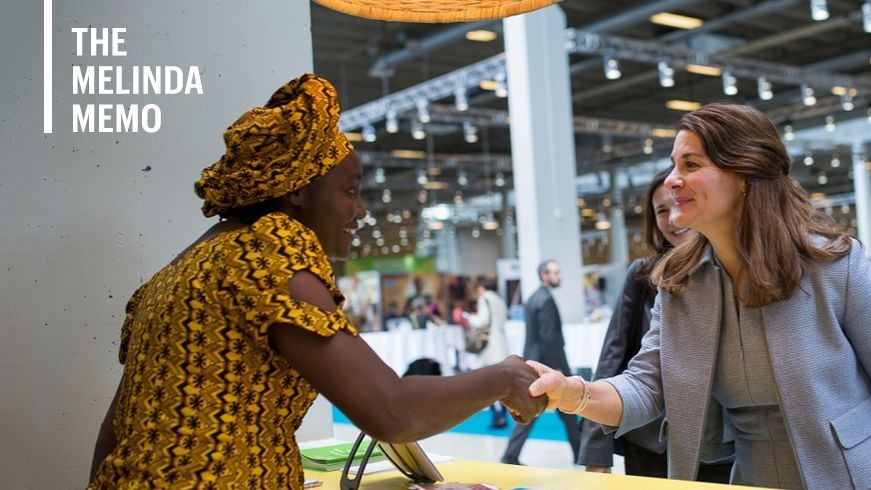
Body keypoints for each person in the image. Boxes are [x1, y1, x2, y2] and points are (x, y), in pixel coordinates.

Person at [87, 74, 546, 489]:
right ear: (297, 190)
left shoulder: (186, 266)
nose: (361, 210)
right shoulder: (267, 249)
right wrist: (503, 378)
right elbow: (390, 411)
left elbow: (116, 431)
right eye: (350, 191)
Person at [526, 102, 870, 489]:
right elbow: (645, 386)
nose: (672, 179)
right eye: (674, 165)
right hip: (747, 479)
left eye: (691, 165)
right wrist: (574, 393)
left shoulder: (834, 264)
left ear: (744, 175)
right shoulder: (679, 283)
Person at [578, 167, 731, 482]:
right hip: (651, 444)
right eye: (662, 210)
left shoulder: (731, 270)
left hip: (722, 444)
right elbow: (612, 357)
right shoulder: (643, 276)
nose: (674, 218)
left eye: (679, 204)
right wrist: (596, 451)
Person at [501, 260, 581, 465]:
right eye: (555, 272)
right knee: (565, 407)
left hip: (533, 360)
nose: (560, 276)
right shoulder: (545, 300)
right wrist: (558, 369)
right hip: (547, 364)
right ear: (544, 275)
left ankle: (579, 452)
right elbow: (549, 338)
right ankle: (580, 454)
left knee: (540, 409)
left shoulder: (533, 298)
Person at [466, 279, 510, 428]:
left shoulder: (484, 299)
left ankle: (497, 415)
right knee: (500, 382)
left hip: (489, 346)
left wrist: (467, 317)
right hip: (501, 343)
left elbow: (481, 321)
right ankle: (502, 414)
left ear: (482, 288)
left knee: (487, 383)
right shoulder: (499, 300)